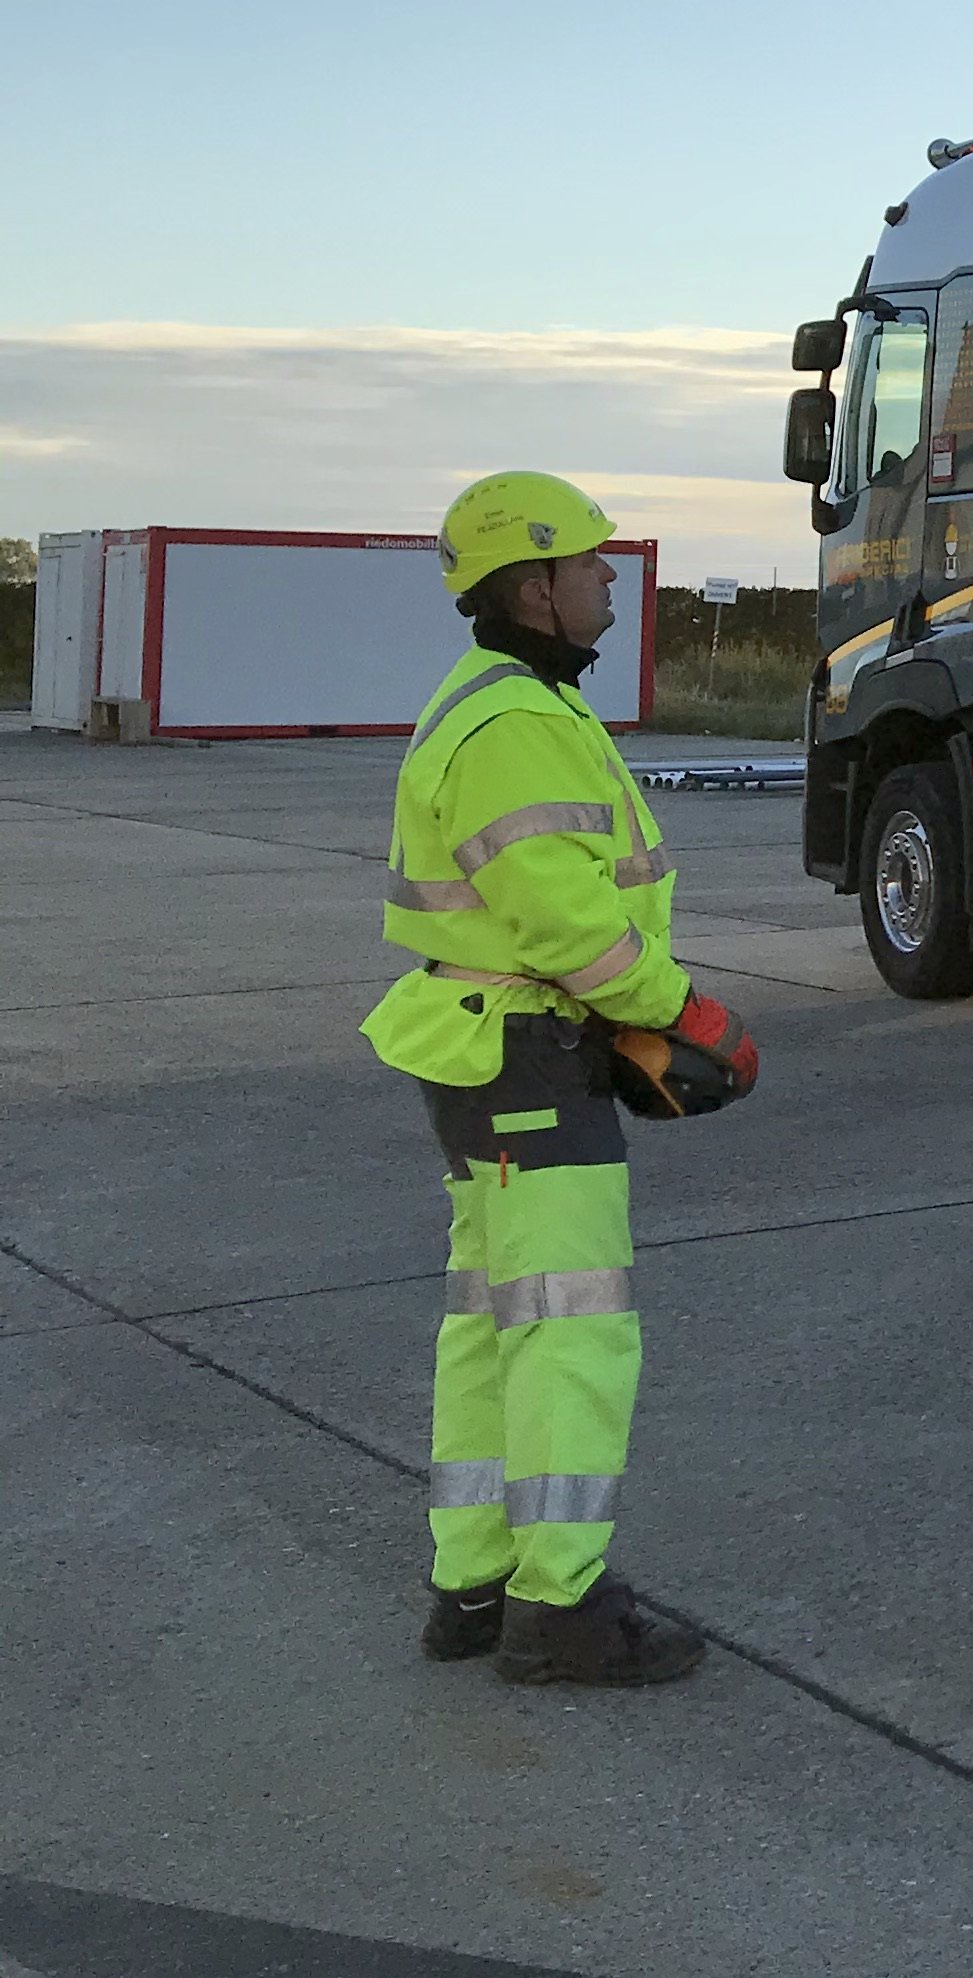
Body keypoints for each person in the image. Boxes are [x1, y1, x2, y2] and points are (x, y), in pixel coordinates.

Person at [367, 471, 754, 1686]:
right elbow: (567, 927)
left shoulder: (509, 701)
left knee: (493, 1327)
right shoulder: (517, 723)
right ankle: (562, 1609)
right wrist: (687, 1014)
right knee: (574, 1337)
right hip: (530, 1051)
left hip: (500, 1051)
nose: (609, 582)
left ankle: (473, 1586)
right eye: (590, 564)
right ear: (533, 588)